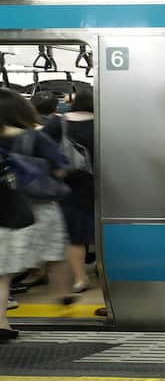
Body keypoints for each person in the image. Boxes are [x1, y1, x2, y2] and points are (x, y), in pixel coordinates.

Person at [1, 92, 70, 304]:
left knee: (6, 263)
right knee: (53, 251)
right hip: (37, 204)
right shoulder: (34, 136)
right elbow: (61, 167)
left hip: (4, 206)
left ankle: (8, 298)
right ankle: (63, 292)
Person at [43, 84, 95, 295]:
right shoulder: (103, 123)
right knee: (102, 230)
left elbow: (40, 150)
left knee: (75, 234)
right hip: (102, 183)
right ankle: (105, 271)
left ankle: (80, 278)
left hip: (70, 184)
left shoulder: (58, 123)